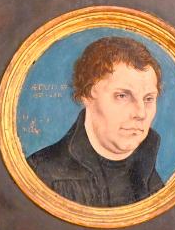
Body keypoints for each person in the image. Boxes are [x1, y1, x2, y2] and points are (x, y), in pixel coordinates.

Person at [26, 36, 165, 207]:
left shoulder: (151, 177)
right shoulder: (42, 174)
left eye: (149, 99)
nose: (141, 113)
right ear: (87, 95)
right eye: (122, 96)